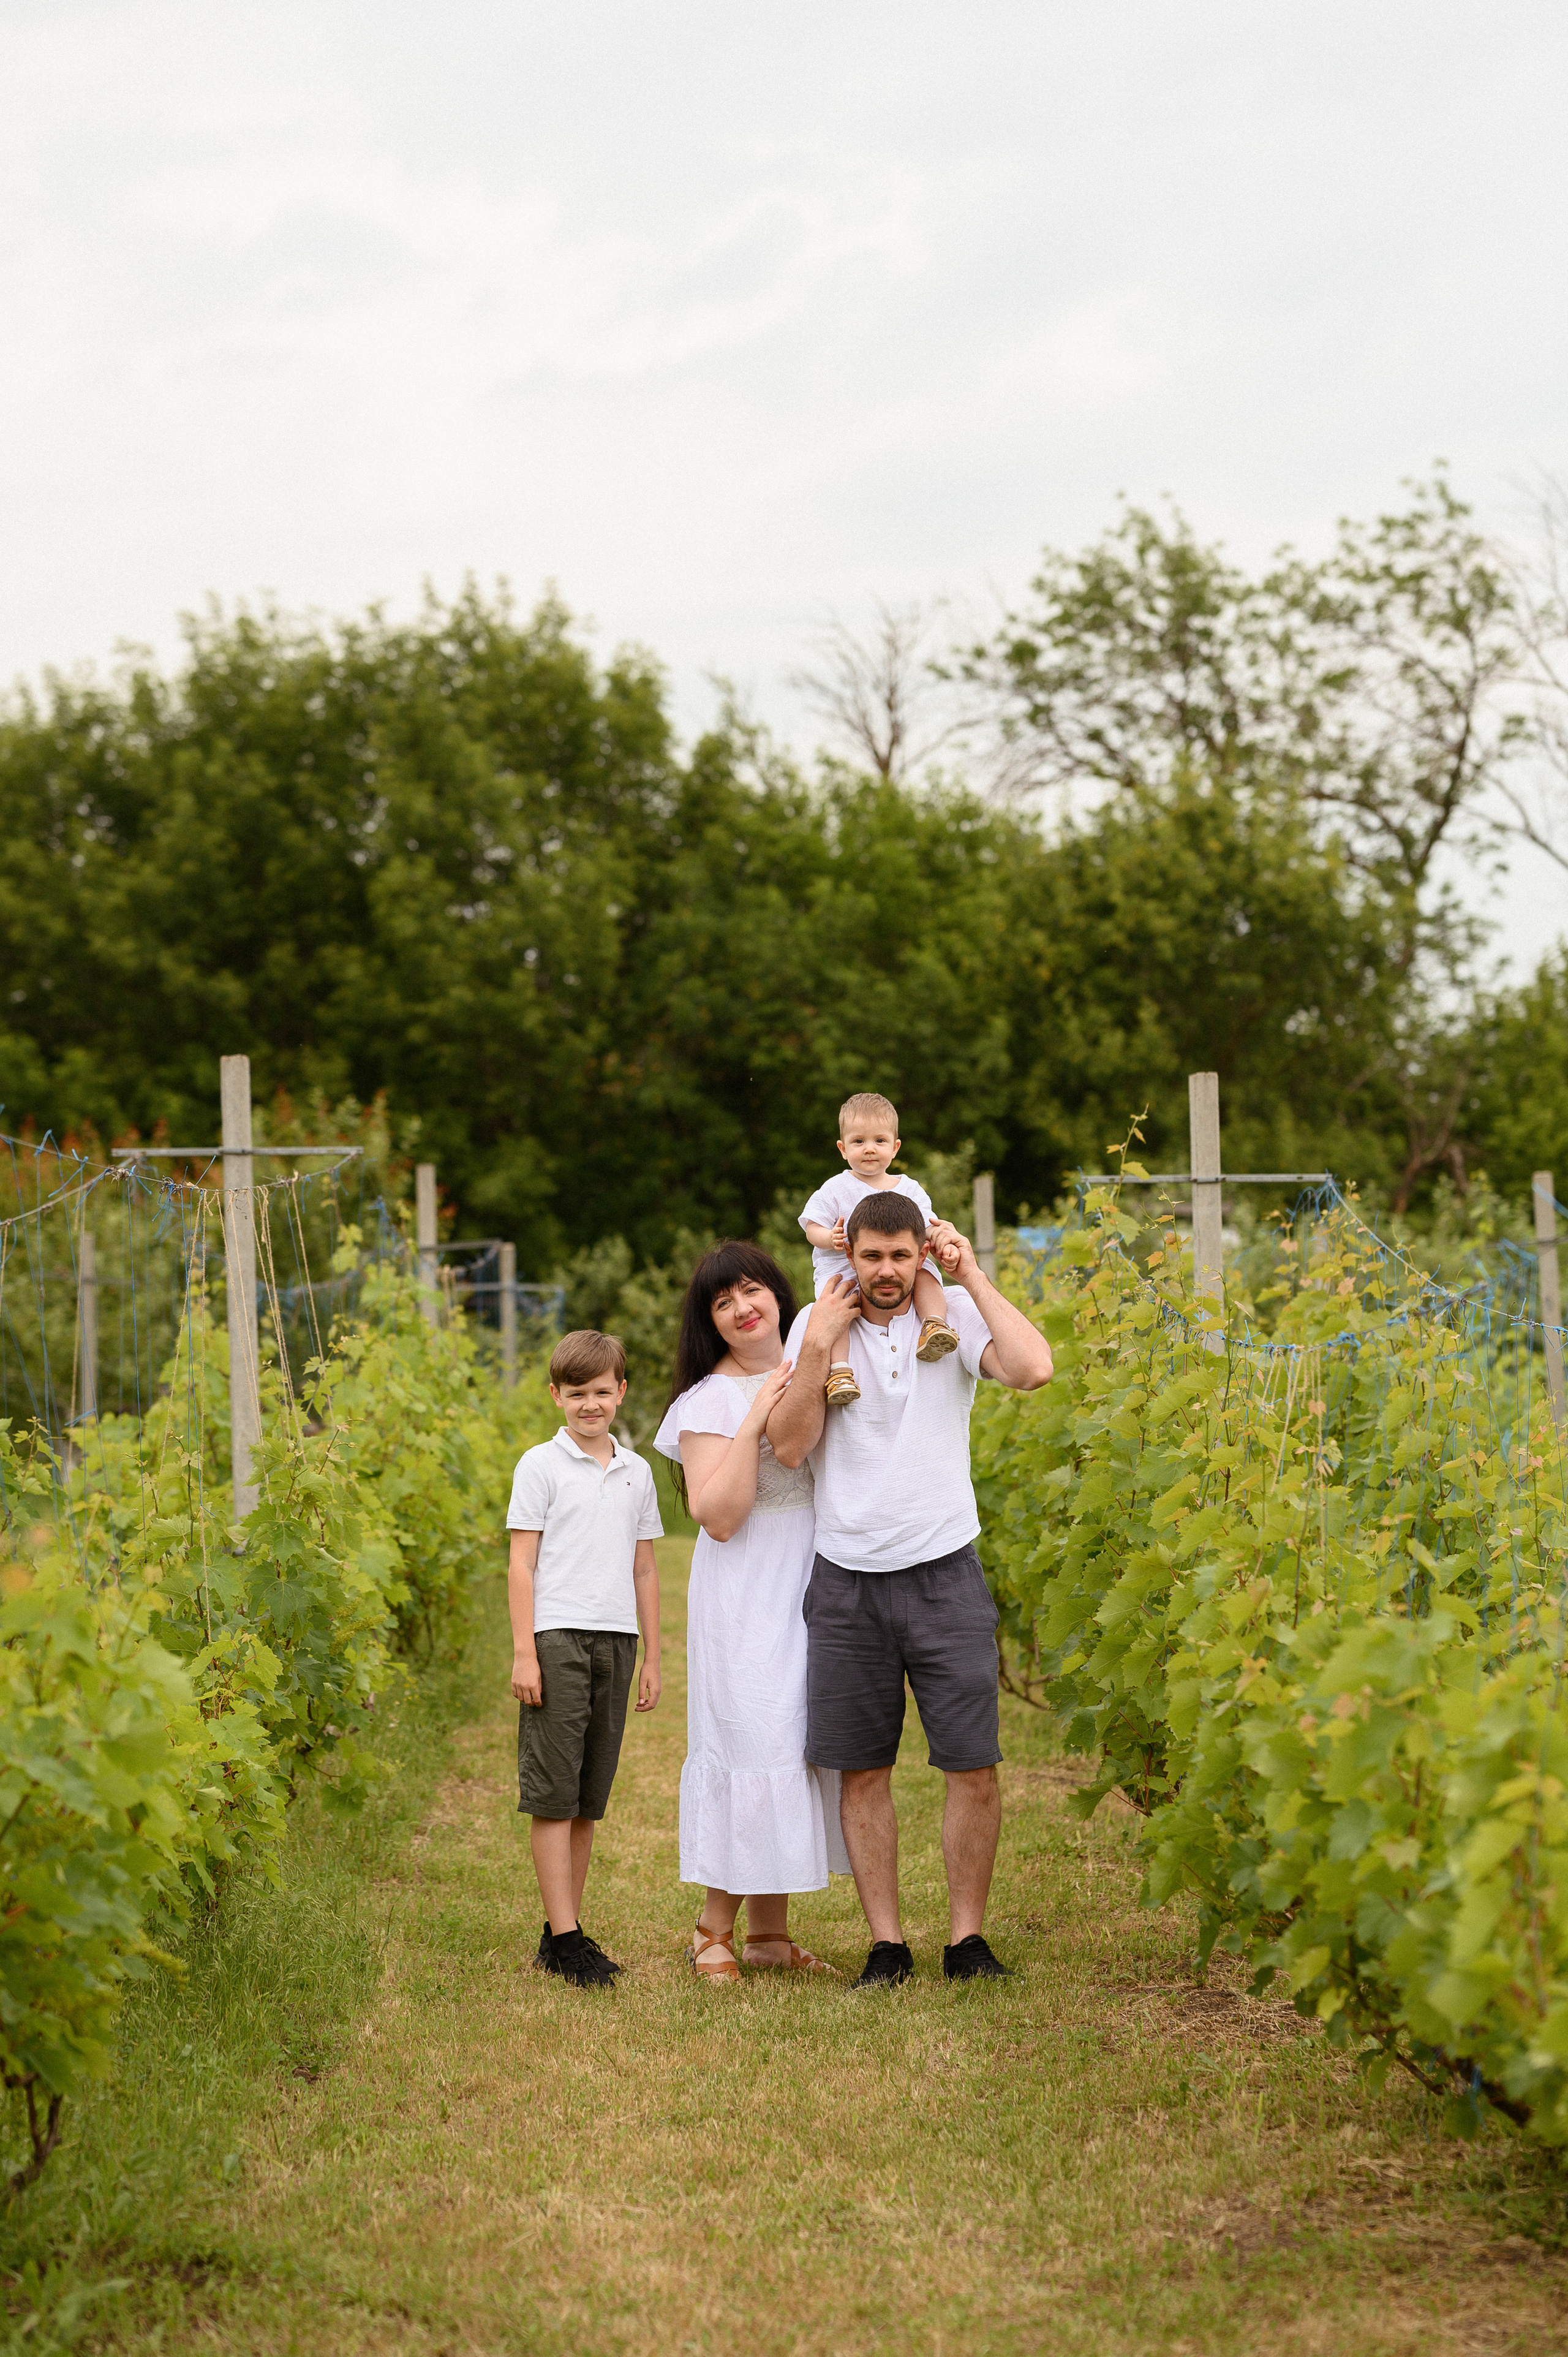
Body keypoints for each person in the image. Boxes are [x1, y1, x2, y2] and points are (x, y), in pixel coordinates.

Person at [768, 1192, 1054, 1988]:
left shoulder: (953, 1313)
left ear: (920, 1254)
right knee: (863, 1769)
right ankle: (886, 1943)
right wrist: (820, 1343)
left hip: (944, 1571)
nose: (887, 1271)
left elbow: (1034, 1367)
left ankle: (967, 1940)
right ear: (848, 1256)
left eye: (902, 1255)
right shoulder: (815, 1323)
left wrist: (974, 1274)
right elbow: (790, 1447)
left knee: (973, 1764)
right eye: (872, 1256)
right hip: (848, 1579)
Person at [654, 1241, 849, 1982]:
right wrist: (752, 1417)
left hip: (816, 1572)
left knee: (794, 1738)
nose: (743, 1308)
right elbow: (720, 1515)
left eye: (752, 1290)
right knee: (751, 1738)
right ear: (712, 1322)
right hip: (744, 1584)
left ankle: (770, 1934)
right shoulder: (707, 1399)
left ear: (777, 1293)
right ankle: (711, 1927)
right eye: (722, 1302)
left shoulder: (818, 1358)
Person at [507, 1329, 663, 1989]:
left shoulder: (637, 1471)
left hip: (617, 1641)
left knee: (587, 1796)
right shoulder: (539, 1466)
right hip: (557, 1639)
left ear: (620, 1392)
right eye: (577, 1394)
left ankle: (560, 1929)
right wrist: (525, 1651)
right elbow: (521, 1562)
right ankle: (566, 1937)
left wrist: (653, 1654)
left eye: (602, 1392)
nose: (590, 1404)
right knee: (553, 1793)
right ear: (556, 1396)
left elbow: (646, 1568)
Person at [798, 1091, 957, 1405]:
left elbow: (927, 1227)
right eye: (859, 1142)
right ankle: (840, 1371)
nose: (869, 1149)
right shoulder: (835, 1188)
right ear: (843, 1149)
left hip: (896, 1267)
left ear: (895, 1147)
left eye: (879, 1141)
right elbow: (810, 1225)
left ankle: (934, 1325)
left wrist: (944, 1241)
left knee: (926, 1273)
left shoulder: (909, 1188)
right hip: (842, 1268)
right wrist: (828, 1237)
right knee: (837, 1309)